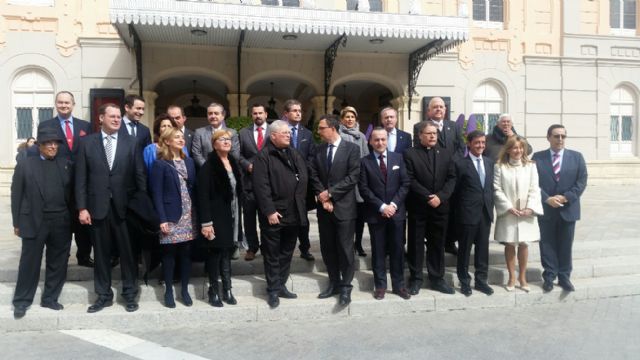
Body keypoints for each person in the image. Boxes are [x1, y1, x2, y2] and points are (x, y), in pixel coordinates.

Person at [75, 103, 147, 313]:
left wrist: (140, 206)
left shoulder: (132, 143)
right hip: (97, 209)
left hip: (124, 210)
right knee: (102, 255)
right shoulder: (87, 143)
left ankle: (129, 294)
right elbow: (80, 179)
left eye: (118, 116)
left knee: (128, 254)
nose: (116, 119)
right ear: (101, 119)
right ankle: (103, 295)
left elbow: (139, 176)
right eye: (112, 116)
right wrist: (82, 208)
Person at [11, 128, 73, 319]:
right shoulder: (26, 164)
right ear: (39, 145)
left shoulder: (66, 164)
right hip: (33, 221)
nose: (53, 146)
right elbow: (16, 195)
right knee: (29, 263)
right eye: (48, 143)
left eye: (55, 143)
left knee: (58, 262)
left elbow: (71, 194)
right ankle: (22, 301)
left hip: (61, 221)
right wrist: (17, 222)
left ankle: (50, 298)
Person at [252, 120, 309, 308]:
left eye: (289, 133)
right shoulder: (263, 156)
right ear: (273, 136)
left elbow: (303, 177)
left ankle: (281, 284)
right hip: (275, 214)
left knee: (287, 252)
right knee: (272, 254)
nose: (288, 135)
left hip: (294, 212)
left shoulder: (294, 153)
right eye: (284, 133)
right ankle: (273, 290)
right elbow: (261, 187)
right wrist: (269, 211)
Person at [309, 115, 360, 306]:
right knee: (328, 248)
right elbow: (313, 173)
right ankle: (334, 283)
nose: (319, 131)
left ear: (332, 128)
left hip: (344, 207)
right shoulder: (318, 149)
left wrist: (330, 194)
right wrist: (322, 197)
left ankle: (346, 287)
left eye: (322, 128)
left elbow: (353, 176)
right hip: (324, 208)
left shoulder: (352, 149)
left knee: (346, 249)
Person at [37, 91, 93, 267]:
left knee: (83, 222)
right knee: (63, 223)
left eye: (67, 103)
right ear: (55, 104)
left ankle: (83, 256)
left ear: (73, 105)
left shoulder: (86, 126)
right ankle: (63, 256)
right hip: (57, 182)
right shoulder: (46, 125)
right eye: (60, 102)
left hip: (82, 182)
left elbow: (90, 151)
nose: (64, 105)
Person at [533, 125, 587, 292]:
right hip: (546, 208)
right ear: (548, 137)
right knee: (547, 244)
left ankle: (564, 277)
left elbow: (581, 181)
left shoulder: (577, 157)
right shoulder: (537, 157)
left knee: (565, 244)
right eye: (556, 136)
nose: (560, 139)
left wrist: (566, 197)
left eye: (563, 136)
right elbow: (533, 181)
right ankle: (549, 276)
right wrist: (546, 198)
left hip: (568, 209)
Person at [404, 121, 456, 295]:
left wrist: (440, 197)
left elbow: (451, 178)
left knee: (437, 244)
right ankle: (416, 278)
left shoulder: (447, 153)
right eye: (428, 133)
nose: (433, 136)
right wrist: (428, 197)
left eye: (435, 133)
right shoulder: (410, 154)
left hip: (440, 208)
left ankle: (437, 278)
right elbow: (410, 179)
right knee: (416, 244)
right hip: (419, 207)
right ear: (420, 136)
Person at [358, 127, 411, 300]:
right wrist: (382, 207)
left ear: (387, 140)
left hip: (396, 213)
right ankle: (380, 285)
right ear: (371, 142)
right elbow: (364, 189)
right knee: (378, 251)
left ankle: (399, 285)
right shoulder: (364, 162)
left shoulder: (399, 158)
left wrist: (393, 205)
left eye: (383, 139)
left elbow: (405, 184)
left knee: (397, 250)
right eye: (376, 140)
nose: (380, 143)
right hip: (376, 214)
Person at [149, 128, 197, 308]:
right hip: (170, 216)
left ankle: (184, 290)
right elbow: (157, 194)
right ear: (167, 141)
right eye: (176, 137)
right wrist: (161, 219)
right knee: (169, 256)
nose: (181, 139)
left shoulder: (190, 162)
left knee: (186, 254)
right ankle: (168, 290)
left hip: (189, 214)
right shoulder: (160, 164)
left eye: (182, 137)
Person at [412, 97, 464, 256]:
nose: (439, 109)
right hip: (429, 176)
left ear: (445, 110)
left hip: (449, 174)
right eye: (435, 107)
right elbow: (419, 148)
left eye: (441, 107)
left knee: (450, 211)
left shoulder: (453, 126)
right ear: (429, 111)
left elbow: (460, 147)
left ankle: (449, 241)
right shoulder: (420, 126)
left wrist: (450, 162)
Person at [197, 129, 242, 307]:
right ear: (214, 144)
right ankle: (213, 290)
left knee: (227, 252)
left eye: (228, 139)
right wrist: (206, 223)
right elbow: (202, 196)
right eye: (221, 139)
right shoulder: (209, 166)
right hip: (216, 216)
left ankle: (228, 289)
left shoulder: (233, 162)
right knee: (215, 253)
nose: (226, 142)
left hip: (232, 215)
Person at [493, 136, 543, 292]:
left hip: (525, 212)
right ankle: (511, 278)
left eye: (521, 148)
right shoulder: (500, 167)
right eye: (515, 147)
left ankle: (522, 277)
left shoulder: (530, 166)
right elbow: (496, 189)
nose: (518, 151)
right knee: (509, 243)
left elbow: (535, 188)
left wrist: (530, 207)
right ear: (508, 149)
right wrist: (508, 207)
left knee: (523, 243)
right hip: (508, 212)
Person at [453, 130, 495, 296]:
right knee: (464, 250)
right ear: (469, 143)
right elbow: (455, 192)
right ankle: (464, 282)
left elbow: (489, 188)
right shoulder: (460, 164)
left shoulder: (489, 162)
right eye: (477, 143)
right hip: (467, 214)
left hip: (485, 214)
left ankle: (481, 281)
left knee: (483, 250)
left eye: (483, 143)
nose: (480, 146)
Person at [284, 99, 316, 261]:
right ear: (286, 114)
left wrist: (303, 174)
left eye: (300, 110)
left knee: (303, 217)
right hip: (284, 183)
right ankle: (285, 249)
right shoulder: (280, 131)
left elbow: (311, 157)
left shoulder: (307, 134)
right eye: (294, 110)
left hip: (303, 183)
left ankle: (305, 248)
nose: (298, 113)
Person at [238, 104, 270, 261]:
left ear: (266, 114)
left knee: (266, 217)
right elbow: (238, 154)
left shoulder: (274, 131)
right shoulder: (243, 133)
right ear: (251, 115)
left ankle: (266, 247)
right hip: (249, 183)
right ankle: (252, 247)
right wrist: (247, 165)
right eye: (255, 113)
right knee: (249, 218)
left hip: (268, 183)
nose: (258, 116)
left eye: (260, 113)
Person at [338, 106, 370, 257]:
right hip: (344, 179)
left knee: (360, 216)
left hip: (359, 181)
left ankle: (358, 243)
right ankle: (347, 243)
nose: (350, 119)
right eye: (347, 117)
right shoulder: (338, 134)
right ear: (342, 119)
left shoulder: (362, 136)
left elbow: (366, 156)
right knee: (347, 216)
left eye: (352, 117)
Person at [192, 103, 240, 167]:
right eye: (210, 113)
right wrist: (208, 168)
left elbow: (235, 154)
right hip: (206, 172)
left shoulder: (232, 133)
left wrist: (224, 167)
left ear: (223, 116)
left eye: (216, 113)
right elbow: (196, 154)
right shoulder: (199, 132)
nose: (213, 116)